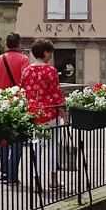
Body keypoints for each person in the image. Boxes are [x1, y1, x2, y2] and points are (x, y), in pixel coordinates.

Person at [21, 39, 67, 194]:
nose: (51, 56)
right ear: (46, 52)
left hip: (33, 114)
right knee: (52, 147)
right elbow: (56, 93)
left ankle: (37, 178)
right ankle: (53, 179)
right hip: (49, 113)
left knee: (37, 147)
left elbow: (24, 92)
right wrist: (63, 113)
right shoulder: (50, 71)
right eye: (50, 53)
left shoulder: (27, 71)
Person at [0, 32, 31, 183]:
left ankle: (4, 172)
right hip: (18, 104)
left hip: (1, 104)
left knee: (3, 140)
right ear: (19, 44)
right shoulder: (24, 60)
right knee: (17, 140)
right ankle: (13, 174)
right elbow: (27, 82)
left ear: (6, 44)